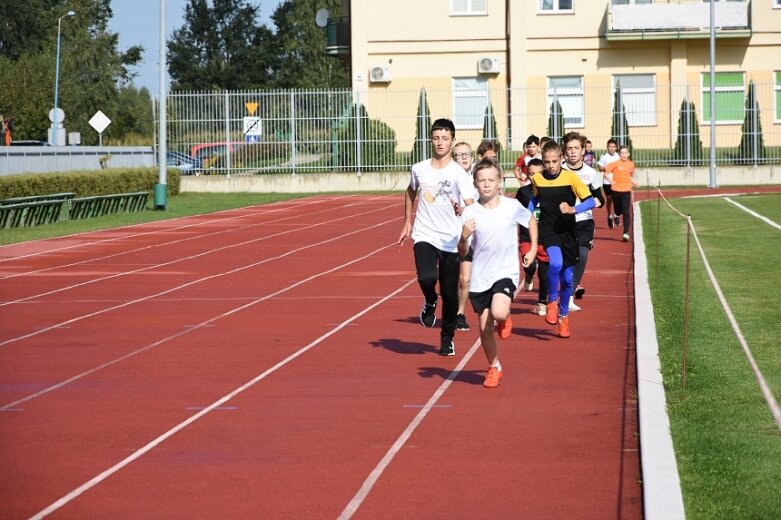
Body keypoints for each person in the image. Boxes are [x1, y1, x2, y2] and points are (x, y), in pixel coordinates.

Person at [398, 118, 475, 356]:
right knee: (426, 277)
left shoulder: (458, 173)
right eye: (436, 138)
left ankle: (447, 338)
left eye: (445, 138)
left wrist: (464, 211)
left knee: (450, 293)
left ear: (452, 141)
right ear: (431, 139)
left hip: (451, 239)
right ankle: (430, 300)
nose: (440, 142)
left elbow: (470, 203)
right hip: (425, 233)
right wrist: (407, 221)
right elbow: (410, 192)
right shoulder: (419, 169)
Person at [459, 157, 537, 388]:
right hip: (481, 277)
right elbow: (463, 251)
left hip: (505, 272)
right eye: (481, 180)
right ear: (475, 183)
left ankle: (504, 318)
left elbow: (530, 220)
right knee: (484, 328)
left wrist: (532, 248)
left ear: (499, 181)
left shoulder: (511, 206)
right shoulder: (470, 213)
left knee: (499, 312)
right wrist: (463, 235)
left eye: (491, 180)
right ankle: (494, 367)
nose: (486, 184)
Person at [529, 140, 595, 338]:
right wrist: (526, 214)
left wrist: (573, 208)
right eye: (547, 161)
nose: (550, 165)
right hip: (549, 230)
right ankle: (551, 301)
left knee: (567, 280)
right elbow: (534, 199)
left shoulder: (571, 178)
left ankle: (563, 316)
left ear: (561, 160)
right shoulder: (538, 179)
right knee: (555, 264)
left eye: (554, 161)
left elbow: (590, 200)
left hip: (568, 230)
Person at [561, 132, 604, 311]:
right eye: (569, 148)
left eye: (576, 148)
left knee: (582, 255)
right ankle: (556, 292)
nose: (573, 152)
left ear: (583, 150)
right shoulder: (559, 171)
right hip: (562, 221)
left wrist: (593, 202)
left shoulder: (590, 173)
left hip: (584, 222)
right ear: (564, 151)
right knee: (562, 261)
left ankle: (569, 295)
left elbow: (599, 198)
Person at [515, 158, 550, 316]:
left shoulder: (551, 191)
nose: (534, 177)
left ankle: (542, 302)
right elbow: (514, 212)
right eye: (531, 174)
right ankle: (529, 274)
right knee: (530, 265)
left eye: (538, 174)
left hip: (547, 238)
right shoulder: (523, 192)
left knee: (544, 273)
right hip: (527, 236)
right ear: (527, 175)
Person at [451, 141, 477, 331]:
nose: (464, 157)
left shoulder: (479, 177)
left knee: (465, 279)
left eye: (467, 154)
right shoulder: (447, 179)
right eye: (459, 155)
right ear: (453, 159)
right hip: (450, 236)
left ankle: (460, 313)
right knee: (452, 279)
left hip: (472, 236)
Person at [604, 145, 638, 242]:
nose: (624, 154)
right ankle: (616, 215)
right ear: (619, 154)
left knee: (626, 212)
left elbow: (630, 176)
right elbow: (606, 173)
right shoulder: (615, 163)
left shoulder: (631, 164)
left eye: (625, 153)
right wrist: (611, 181)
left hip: (626, 191)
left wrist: (634, 182)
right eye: (622, 153)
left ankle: (626, 232)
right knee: (618, 211)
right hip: (616, 191)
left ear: (628, 154)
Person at [598, 139, 620, 229]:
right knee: (609, 199)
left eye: (613, 147)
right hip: (607, 182)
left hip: (616, 181)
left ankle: (616, 215)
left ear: (616, 148)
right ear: (607, 147)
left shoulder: (618, 156)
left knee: (617, 199)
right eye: (610, 147)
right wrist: (606, 167)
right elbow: (599, 168)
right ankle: (609, 216)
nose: (612, 148)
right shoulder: (604, 156)